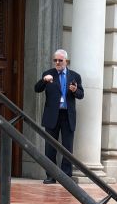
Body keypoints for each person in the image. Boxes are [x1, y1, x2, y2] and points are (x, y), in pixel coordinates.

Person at [34, 49, 83, 184]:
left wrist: (75, 90)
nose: (57, 62)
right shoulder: (48, 74)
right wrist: (44, 81)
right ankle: (51, 175)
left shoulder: (75, 76)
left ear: (66, 61)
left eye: (60, 60)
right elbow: (37, 89)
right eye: (55, 60)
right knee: (50, 147)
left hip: (67, 115)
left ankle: (66, 176)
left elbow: (81, 94)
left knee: (67, 147)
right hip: (52, 115)